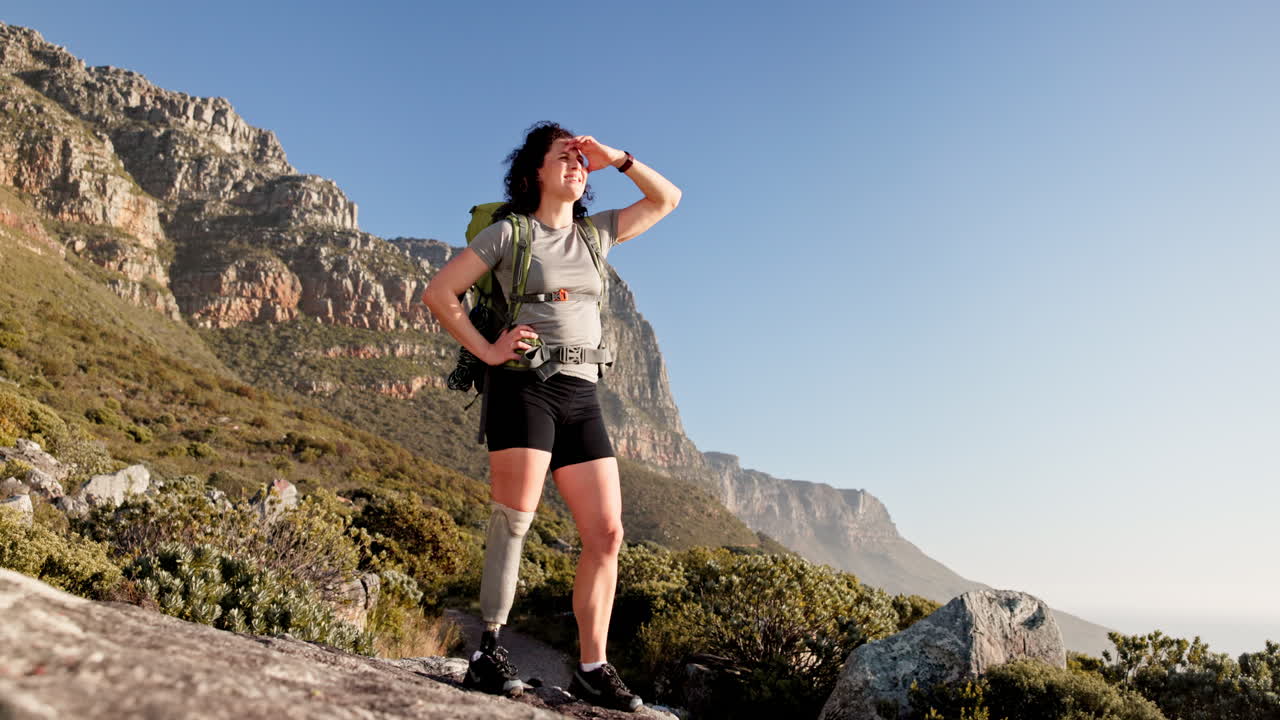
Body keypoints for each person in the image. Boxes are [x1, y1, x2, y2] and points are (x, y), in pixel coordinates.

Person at [423, 121, 680, 712]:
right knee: (515, 520)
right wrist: (488, 351)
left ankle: (593, 666)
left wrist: (617, 157)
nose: (575, 166)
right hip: (524, 388)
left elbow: (667, 199)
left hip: (582, 394)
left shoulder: (597, 235)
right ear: (534, 171)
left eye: (580, 161)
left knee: (607, 534)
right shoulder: (509, 234)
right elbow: (441, 293)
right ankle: (487, 652)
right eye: (562, 157)